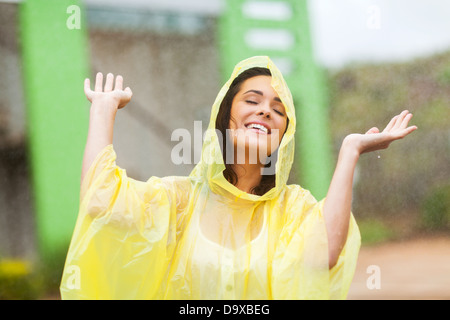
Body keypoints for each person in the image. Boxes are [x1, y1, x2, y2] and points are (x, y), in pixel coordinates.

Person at [60, 56, 417, 299]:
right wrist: (104, 109)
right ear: (225, 116)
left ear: (283, 137)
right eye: (252, 100)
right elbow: (99, 202)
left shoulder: (292, 208)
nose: (266, 109)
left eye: (278, 110)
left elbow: (323, 255)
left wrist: (350, 151)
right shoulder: (179, 201)